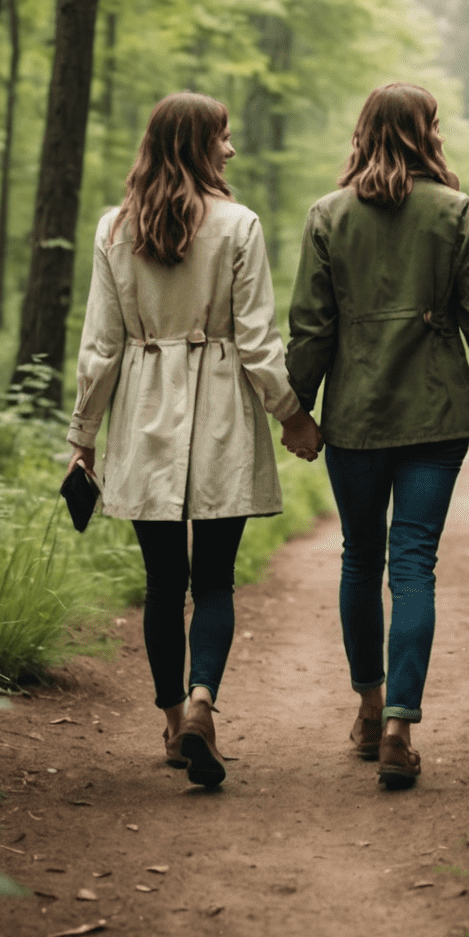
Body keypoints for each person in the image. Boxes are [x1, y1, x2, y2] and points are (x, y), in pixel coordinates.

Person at [286, 84, 469, 790]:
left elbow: (309, 327)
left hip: (357, 415)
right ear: (428, 133)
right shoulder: (454, 212)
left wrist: (296, 410)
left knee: (360, 559)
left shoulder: (327, 216)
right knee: (413, 563)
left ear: (362, 132)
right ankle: (400, 724)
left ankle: (369, 707)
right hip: (435, 413)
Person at [65, 92, 322, 789]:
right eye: (223, 137)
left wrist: (83, 436)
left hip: (145, 411)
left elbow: (101, 347)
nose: (231, 150)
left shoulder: (113, 231)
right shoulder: (239, 226)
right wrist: (292, 414)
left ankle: (176, 719)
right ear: (195, 145)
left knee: (161, 582)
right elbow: (259, 342)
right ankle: (206, 701)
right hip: (219, 413)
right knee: (213, 579)